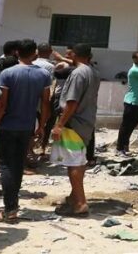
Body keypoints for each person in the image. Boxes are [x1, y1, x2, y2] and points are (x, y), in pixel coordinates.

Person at [0, 40, 51, 222]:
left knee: (7, 166)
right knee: (18, 165)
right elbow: (45, 103)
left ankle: (10, 208)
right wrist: (42, 126)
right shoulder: (43, 74)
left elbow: (1, 105)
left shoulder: (8, 73)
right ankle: (12, 205)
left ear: (16, 53)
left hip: (7, 126)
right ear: (34, 53)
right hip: (27, 126)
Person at [51, 43, 99, 217]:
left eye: (69, 53)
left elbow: (72, 102)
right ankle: (74, 197)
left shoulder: (78, 73)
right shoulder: (92, 72)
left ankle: (80, 203)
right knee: (79, 160)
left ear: (74, 54)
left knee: (74, 163)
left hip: (74, 123)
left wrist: (59, 125)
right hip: (86, 121)